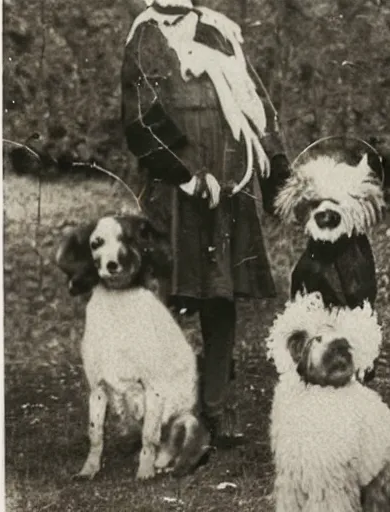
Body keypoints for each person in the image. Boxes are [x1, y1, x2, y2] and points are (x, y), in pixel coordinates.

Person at [120, 0, 291, 445]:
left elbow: (257, 102)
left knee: (221, 297)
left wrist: (277, 166)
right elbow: (140, 122)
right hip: (176, 192)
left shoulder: (218, 30)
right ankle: (170, 412)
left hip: (230, 181)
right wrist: (188, 174)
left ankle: (217, 406)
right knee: (169, 299)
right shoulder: (145, 37)